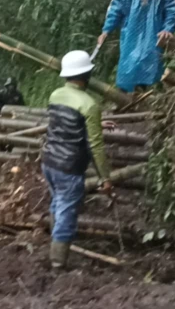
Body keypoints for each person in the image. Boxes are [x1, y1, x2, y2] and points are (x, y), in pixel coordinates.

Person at [41, 50, 116, 269]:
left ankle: (56, 249)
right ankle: (57, 264)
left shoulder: (55, 95)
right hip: (69, 167)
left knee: (58, 204)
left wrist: (95, 123)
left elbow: (63, 124)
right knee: (66, 213)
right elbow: (96, 145)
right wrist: (106, 178)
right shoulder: (89, 104)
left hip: (49, 161)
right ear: (87, 74)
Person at [98, 0, 175, 93]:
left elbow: (172, 9)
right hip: (131, 34)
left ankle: (146, 96)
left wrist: (168, 28)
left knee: (150, 62)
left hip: (154, 33)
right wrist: (106, 30)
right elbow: (115, 9)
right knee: (128, 63)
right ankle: (122, 97)